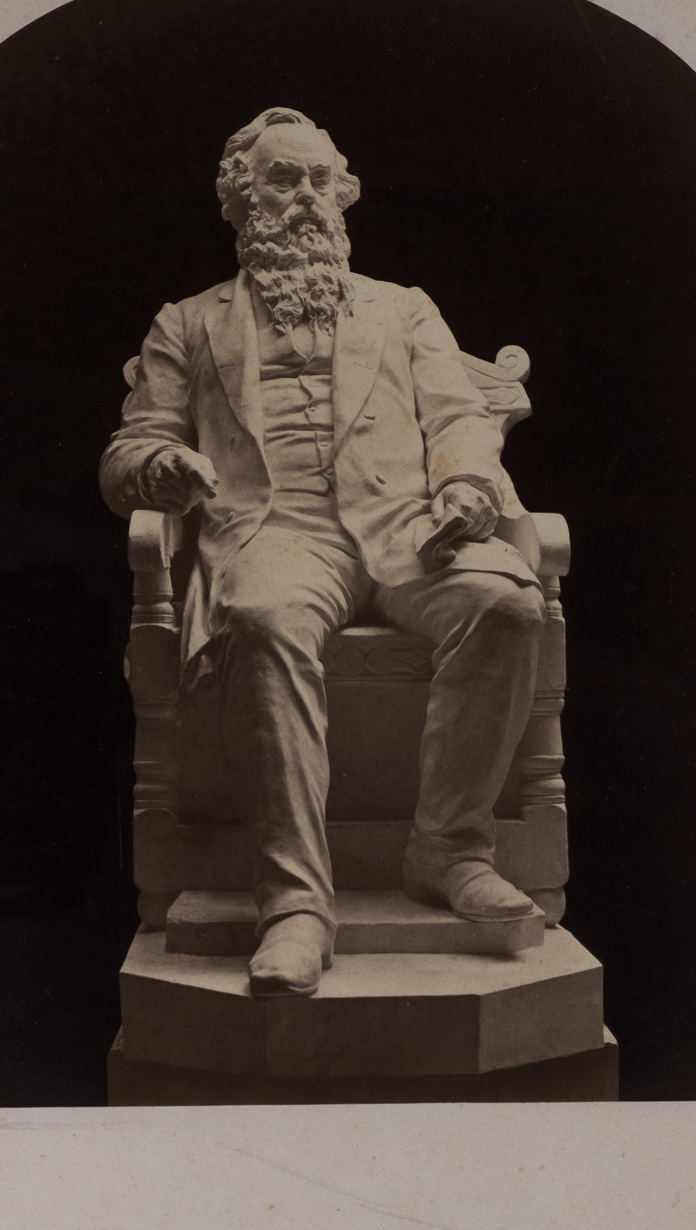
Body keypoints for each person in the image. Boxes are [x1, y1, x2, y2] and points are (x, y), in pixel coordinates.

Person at [101, 107, 545, 998]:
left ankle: (449, 851)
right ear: (241, 201)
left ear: (342, 195)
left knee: (507, 602)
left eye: (318, 180)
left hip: (408, 528)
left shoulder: (404, 308)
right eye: (282, 179)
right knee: (264, 619)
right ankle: (297, 904)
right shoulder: (187, 323)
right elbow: (126, 455)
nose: (304, 197)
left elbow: (459, 418)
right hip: (277, 533)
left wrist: (466, 485)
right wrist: (161, 465)